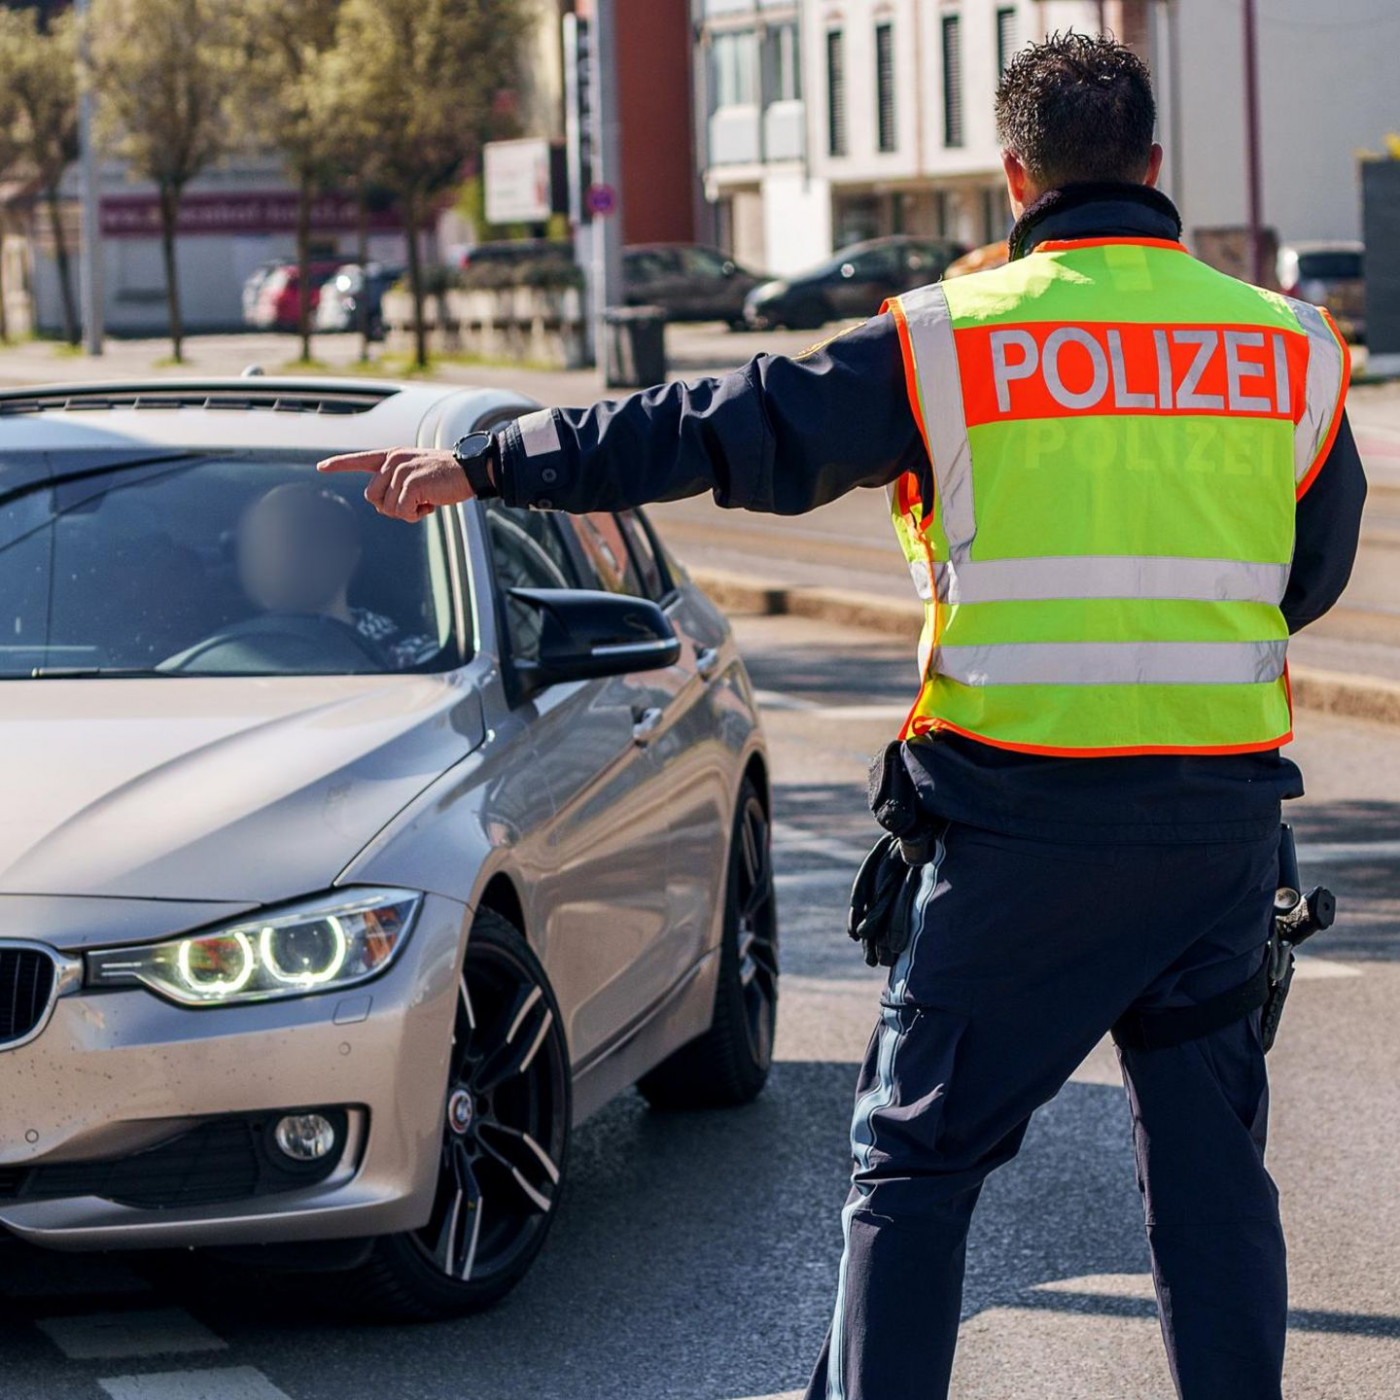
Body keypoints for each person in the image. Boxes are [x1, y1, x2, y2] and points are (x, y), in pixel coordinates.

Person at [319, 33, 1366, 1400]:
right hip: (1214, 846)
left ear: (1013, 176)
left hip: (1015, 843)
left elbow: (721, 425)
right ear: (1156, 168)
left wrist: (496, 459)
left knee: (915, 1172)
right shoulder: (1283, 346)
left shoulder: (952, 341)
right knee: (1213, 1181)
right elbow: (1315, 571)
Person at [237, 482, 439, 670]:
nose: (278, 557)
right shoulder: (227, 650)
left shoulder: (410, 656)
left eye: (301, 541)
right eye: (263, 545)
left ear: (348, 554)